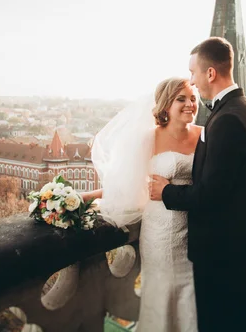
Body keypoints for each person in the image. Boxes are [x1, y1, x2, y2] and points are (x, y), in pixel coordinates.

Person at [149, 37, 246, 331]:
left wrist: (166, 191)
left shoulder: (228, 119)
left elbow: (213, 193)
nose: (192, 81)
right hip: (225, 243)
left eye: (193, 73)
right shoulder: (239, 108)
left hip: (220, 248)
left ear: (210, 73)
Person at [82, 77, 201, 332]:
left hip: (198, 230)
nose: (190, 104)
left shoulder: (203, 136)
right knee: (162, 292)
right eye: (181, 98)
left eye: (193, 98)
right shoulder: (149, 138)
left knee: (191, 295)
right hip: (160, 232)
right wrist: (83, 198)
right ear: (166, 104)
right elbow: (126, 183)